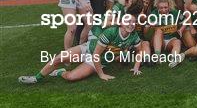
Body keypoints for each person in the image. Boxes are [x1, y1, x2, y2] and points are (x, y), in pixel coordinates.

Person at [19, 9, 151, 84]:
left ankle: (59, 72)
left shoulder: (134, 36)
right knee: (59, 58)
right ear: (121, 23)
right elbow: (96, 53)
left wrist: (136, 67)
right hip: (89, 49)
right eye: (128, 21)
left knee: (71, 77)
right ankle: (35, 78)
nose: (131, 24)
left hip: (96, 61)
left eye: (133, 22)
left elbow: (139, 51)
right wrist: (101, 75)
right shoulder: (111, 31)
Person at [150, 0, 187, 68]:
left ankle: (174, 59)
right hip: (159, 40)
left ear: (169, 6)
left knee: (177, 41)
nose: (163, 10)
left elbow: (185, 22)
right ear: (157, 7)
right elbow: (148, 31)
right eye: (161, 8)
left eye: (165, 7)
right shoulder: (153, 14)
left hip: (171, 40)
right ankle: (157, 56)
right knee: (158, 31)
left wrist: (181, 30)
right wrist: (151, 27)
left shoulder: (175, 12)